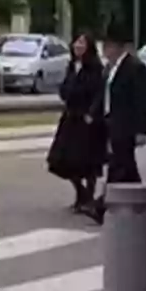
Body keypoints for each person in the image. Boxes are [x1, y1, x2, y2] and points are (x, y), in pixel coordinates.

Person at [84, 22, 146, 225]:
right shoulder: (111, 69)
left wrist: (142, 130)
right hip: (111, 123)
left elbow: (143, 101)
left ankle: (101, 206)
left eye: (108, 46)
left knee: (118, 166)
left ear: (118, 47)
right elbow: (105, 95)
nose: (105, 51)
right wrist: (94, 114)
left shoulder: (135, 68)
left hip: (126, 125)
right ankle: (139, 201)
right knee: (127, 168)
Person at [46, 32, 106, 212]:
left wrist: (92, 113)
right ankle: (81, 193)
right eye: (76, 43)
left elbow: (99, 92)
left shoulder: (95, 68)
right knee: (63, 160)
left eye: (82, 43)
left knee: (87, 161)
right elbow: (66, 87)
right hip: (71, 117)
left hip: (87, 120)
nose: (78, 46)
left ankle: (88, 196)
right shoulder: (72, 66)